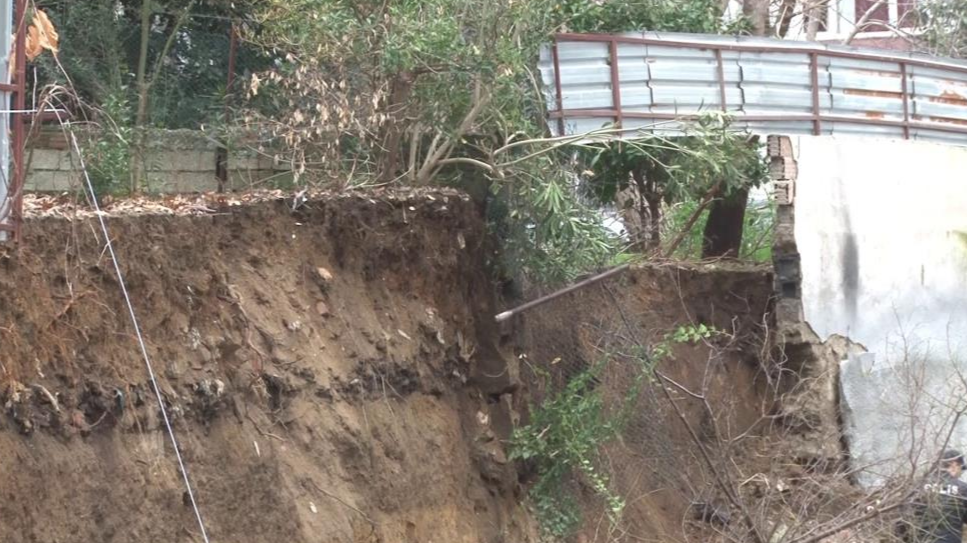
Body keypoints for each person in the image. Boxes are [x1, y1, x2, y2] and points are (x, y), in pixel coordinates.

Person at [903, 450, 967, 543]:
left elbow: (904, 516)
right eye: (961, 469)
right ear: (954, 464)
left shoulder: (917, 485)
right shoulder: (962, 488)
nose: (960, 473)